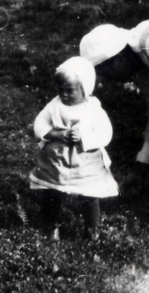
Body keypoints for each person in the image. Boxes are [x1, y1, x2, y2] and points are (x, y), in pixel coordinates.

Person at [80, 6, 149, 212]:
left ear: (117, 60)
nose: (109, 81)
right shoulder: (143, 65)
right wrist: (143, 164)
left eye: (105, 74)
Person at [30, 56, 118, 239]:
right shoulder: (54, 106)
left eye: (70, 91)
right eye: (61, 90)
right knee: (52, 192)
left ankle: (92, 229)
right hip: (57, 162)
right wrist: (55, 134)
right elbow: (39, 124)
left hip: (85, 163)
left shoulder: (93, 109)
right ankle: (50, 226)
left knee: (89, 195)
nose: (64, 94)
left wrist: (84, 137)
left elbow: (105, 133)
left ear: (84, 89)